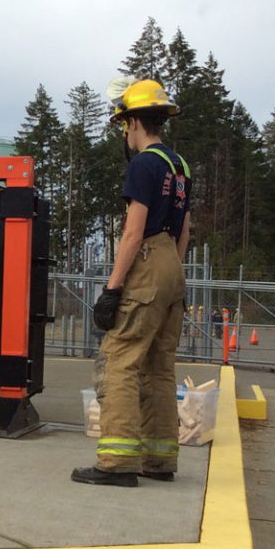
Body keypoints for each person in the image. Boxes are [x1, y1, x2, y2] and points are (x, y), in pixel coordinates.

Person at [72, 78, 192, 487]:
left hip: (148, 260)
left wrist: (112, 288)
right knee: (160, 366)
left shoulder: (144, 164)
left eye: (124, 124)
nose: (124, 132)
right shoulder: (179, 166)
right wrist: (170, 270)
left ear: (134, 122)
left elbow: (132, 233)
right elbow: (185, 231)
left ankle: (117, 463)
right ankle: (160, 460)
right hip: (174, 265)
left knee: (119, 360)